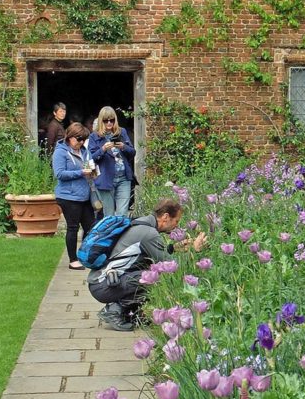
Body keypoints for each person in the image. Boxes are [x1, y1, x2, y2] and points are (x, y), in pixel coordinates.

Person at [88, 198, 207, 331]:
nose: (177, 226)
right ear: (166, 217)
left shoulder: (141, 224)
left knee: (150, 272)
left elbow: (146, 253)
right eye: (176, 221)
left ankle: (129, 313)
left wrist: (174, 248)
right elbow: (170, 266)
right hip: (105, 285)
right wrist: (195, 250)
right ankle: (114, 310)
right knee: (155, 278)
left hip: (104, 281)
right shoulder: (148, 233)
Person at [52, 122, 95, 270]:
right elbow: (59, 174)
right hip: (68, 196)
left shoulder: (85, 151)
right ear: (69, 137)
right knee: (73, 228)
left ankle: (85, 255)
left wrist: (94, 172)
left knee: (91, 227)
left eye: (83, 139)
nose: (81, 142)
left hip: (85, 195)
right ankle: (73, 260)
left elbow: (90, 166)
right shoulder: (61, 152)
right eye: (78, 139)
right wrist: (80, 173)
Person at [88, 107, 135, 217]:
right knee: (109, 214)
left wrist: (124, 147)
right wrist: (103, 149)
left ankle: (121, 234)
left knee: (122, 213)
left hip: (123, 177)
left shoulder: (121, 132)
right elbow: (92, 158)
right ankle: (111, 234)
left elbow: (132, 152)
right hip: (106, 178)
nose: (109, 123)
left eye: (112, 120)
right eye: (106, 120)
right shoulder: (94, 136)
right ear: (101, 121)